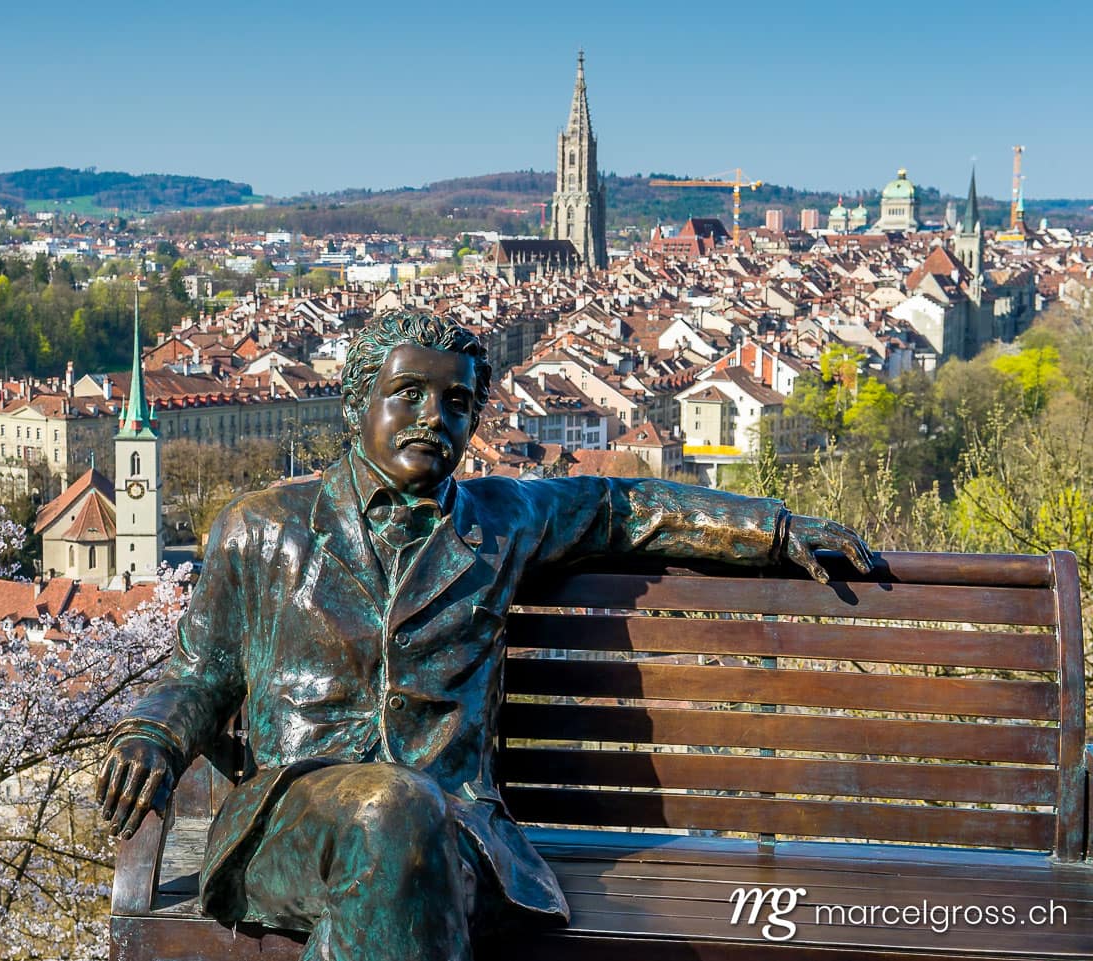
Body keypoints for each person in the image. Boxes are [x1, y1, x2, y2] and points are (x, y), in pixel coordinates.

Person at [96, 311, 873, 961]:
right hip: (289, 822)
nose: (436, 417)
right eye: (409, 394)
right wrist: (150, 736)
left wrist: (768, 526)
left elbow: (624, 507)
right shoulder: (263, 525)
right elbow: (200, 673)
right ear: (355, 404)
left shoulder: (499, 520)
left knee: (403, 842)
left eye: (458, 402)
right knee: (391, 815)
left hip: (457, 828)